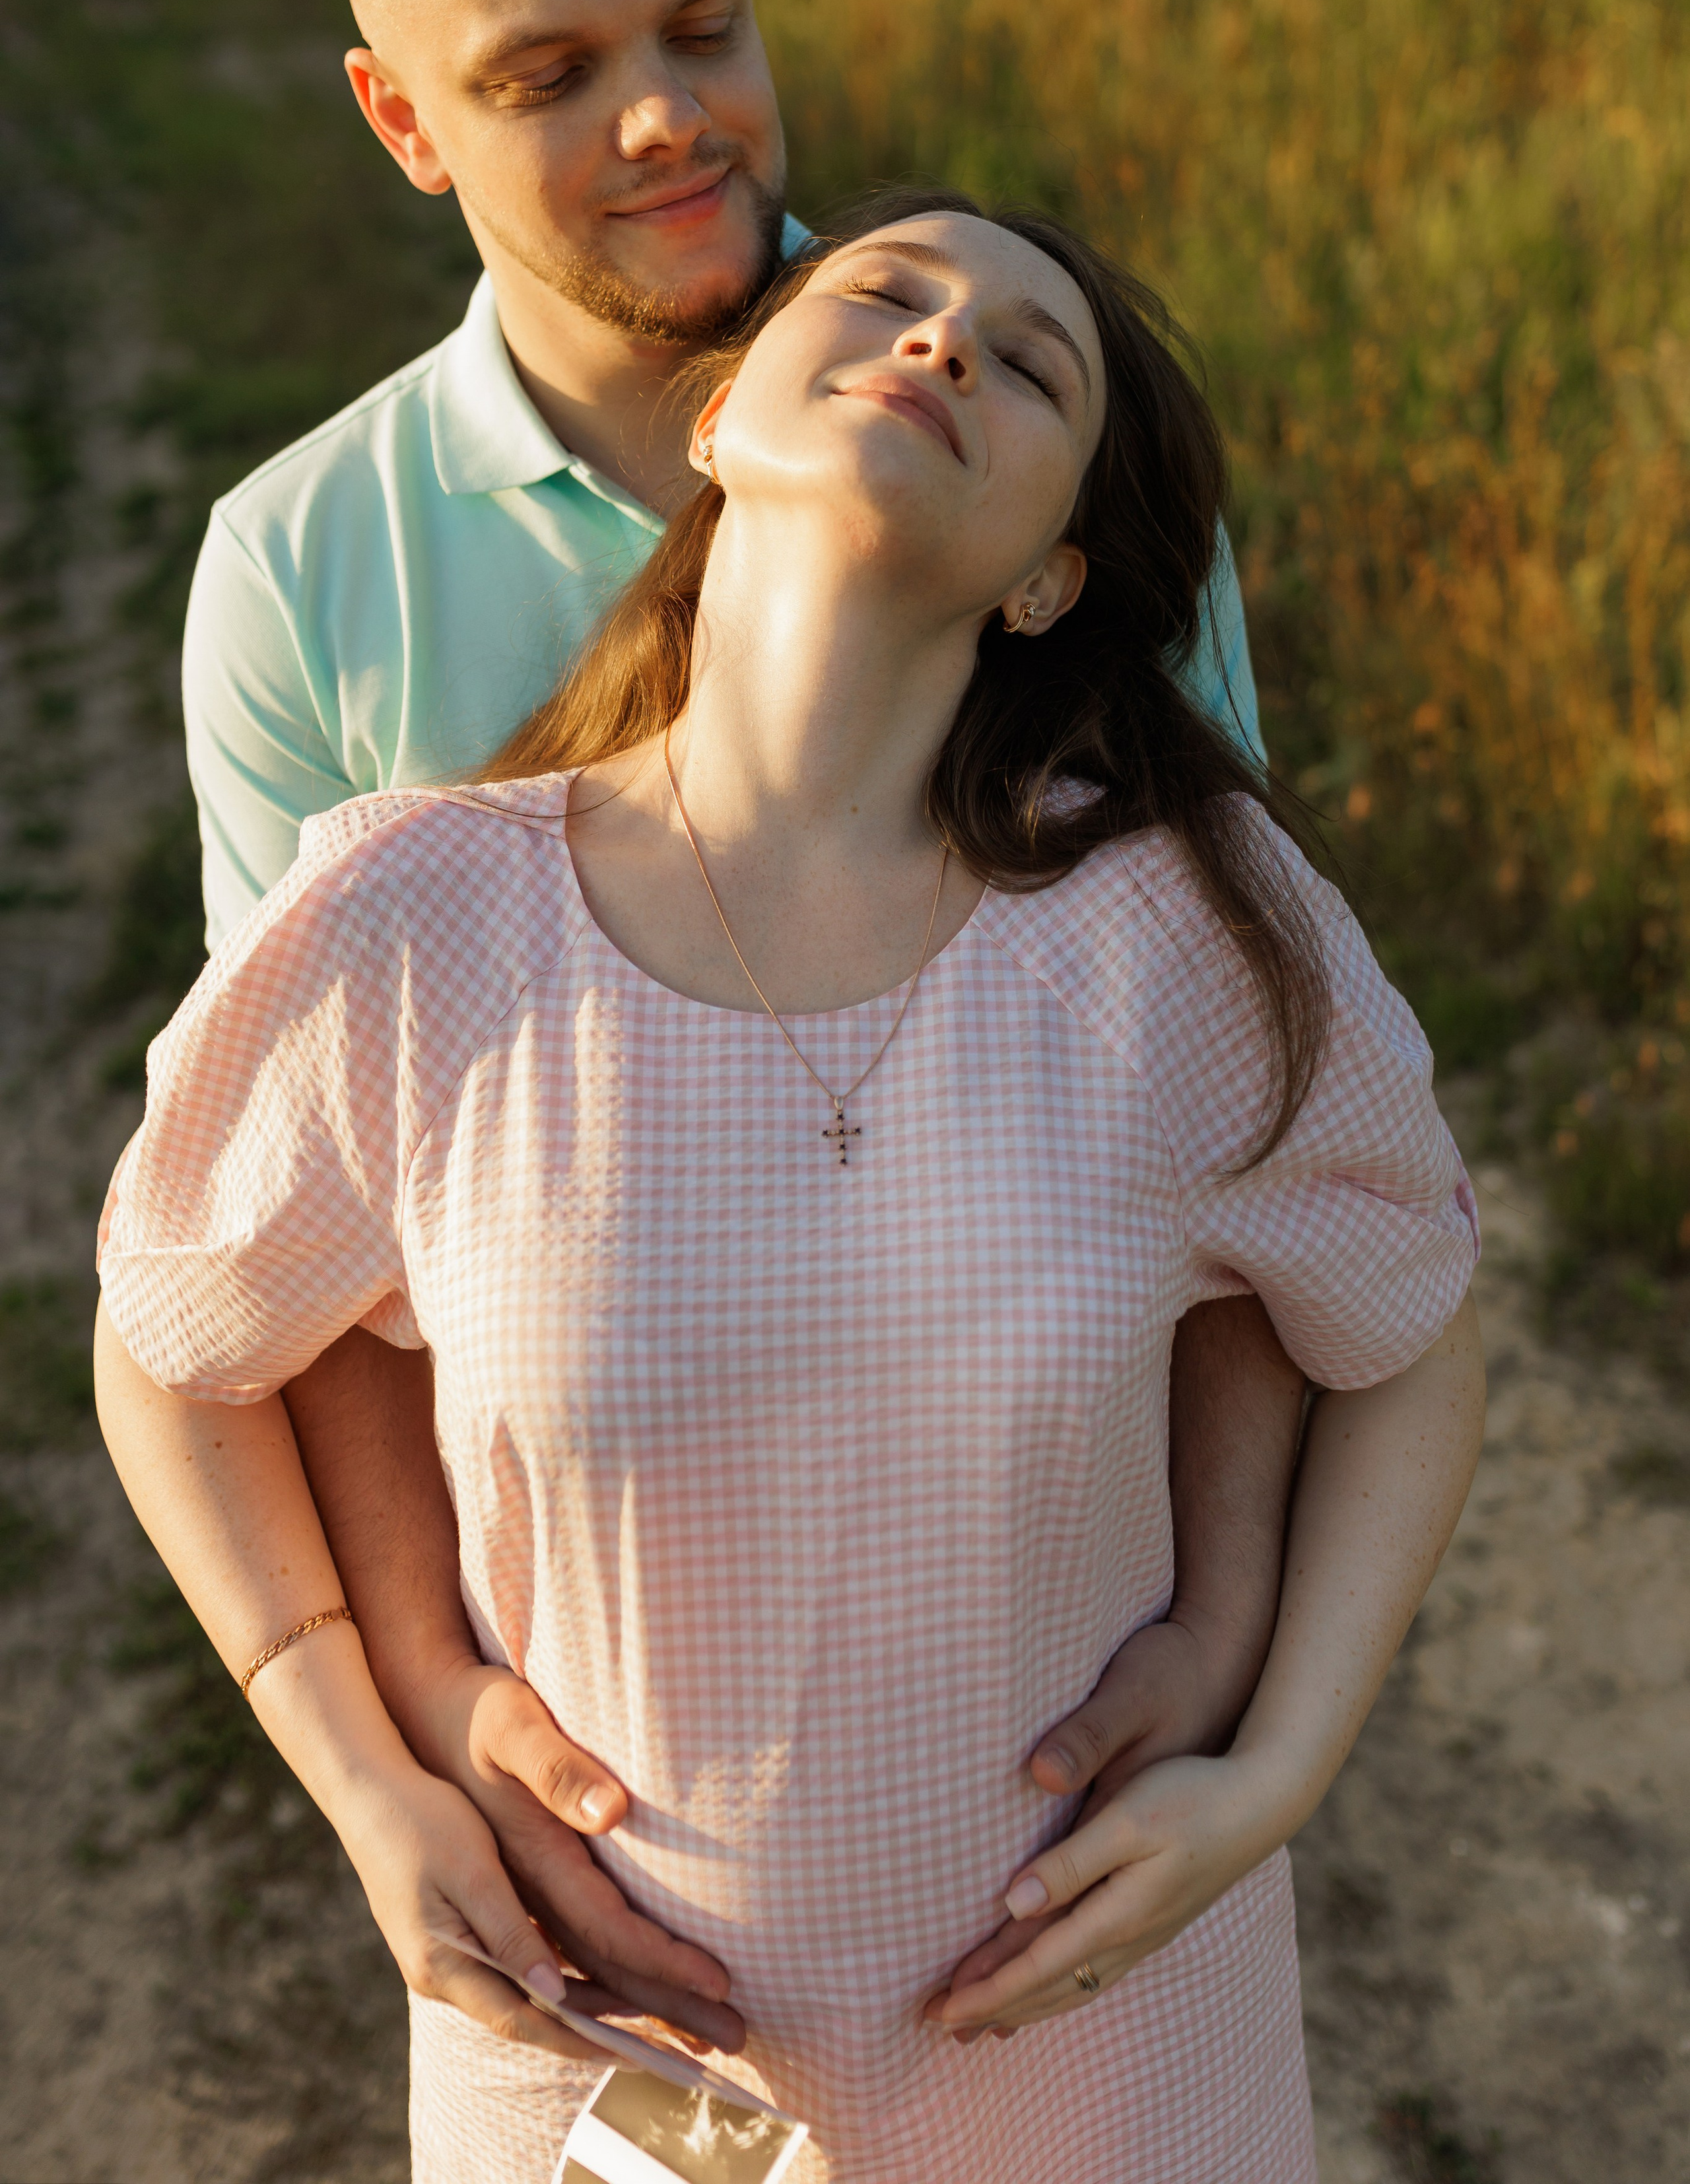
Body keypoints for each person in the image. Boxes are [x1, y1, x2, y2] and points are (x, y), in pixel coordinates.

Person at [98, 190, 1484, 2182]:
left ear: (1048, 581)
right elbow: (174, 1340)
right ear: (720, 415)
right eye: (888, 295)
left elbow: (1408, 1331)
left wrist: (1276, 1769)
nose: (941, 342)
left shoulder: (1180, 931)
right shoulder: (412, 917)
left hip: (1103, 2050)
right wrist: (366, 1768)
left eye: (1029, 365)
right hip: (600, 2066)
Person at [162, 0, 1310, 2056]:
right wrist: (418, 1711)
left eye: (706, 26)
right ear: (403, 119)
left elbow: (1246, 1128)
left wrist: (1226, 1632)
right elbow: (303, 1249)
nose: (667, 117)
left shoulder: (1021, 441)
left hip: (1044, 1705)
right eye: (550, 71)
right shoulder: (302, 573)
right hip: (619, 1769)